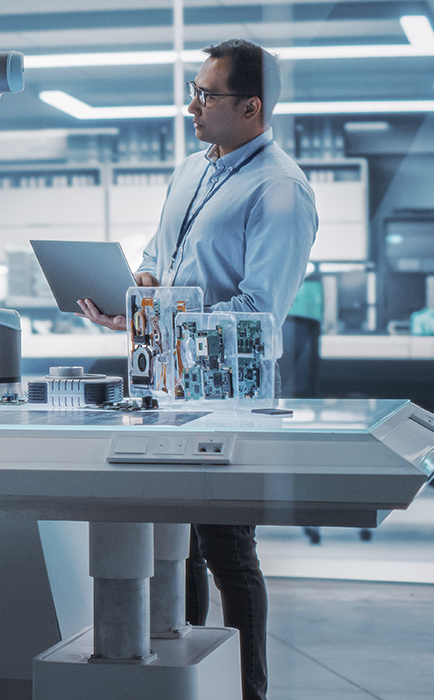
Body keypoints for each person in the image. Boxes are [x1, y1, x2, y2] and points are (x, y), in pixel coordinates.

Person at [77, 39, 317, 700]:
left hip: (228, 397)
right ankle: (182, 682)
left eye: (206, 95)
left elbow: (259, 313)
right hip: (167, 387)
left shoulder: (281, 190)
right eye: (195, 89)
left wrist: (162, 313)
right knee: (169, 543)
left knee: (226, 551)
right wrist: (132, 297)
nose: (192, 105)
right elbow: (163, 262)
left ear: (252, 107)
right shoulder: (192, 170)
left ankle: (245, 691)